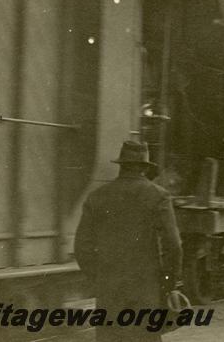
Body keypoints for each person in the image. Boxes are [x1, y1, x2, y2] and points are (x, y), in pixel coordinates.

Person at [75, 141, 183, 341]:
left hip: (109, 291)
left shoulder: (97, 197)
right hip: (146, 292)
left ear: (122, 165)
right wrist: (168, 284)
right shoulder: (158, 196)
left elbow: (82, 248)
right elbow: (174, 246)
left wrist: (98, 278)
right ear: (144, 167)